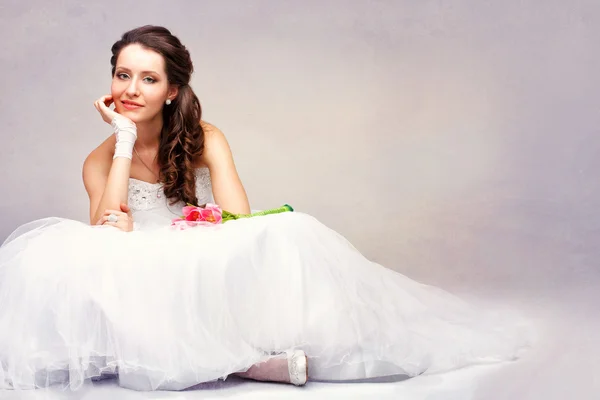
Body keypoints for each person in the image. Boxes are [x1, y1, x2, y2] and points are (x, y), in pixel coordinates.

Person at [0, 25, 530, 392]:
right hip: (135, 267)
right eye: (121, 75)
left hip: (199, 254)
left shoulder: (205, 138)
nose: (131, 89)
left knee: (288, 231)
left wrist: (194, 234)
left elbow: (238, 221)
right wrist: (120, 139)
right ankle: (250, 366)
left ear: (172, 89)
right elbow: (102, 236)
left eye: (147, 78)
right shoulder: (99, 158)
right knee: (90, 257)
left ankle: (235, 360)